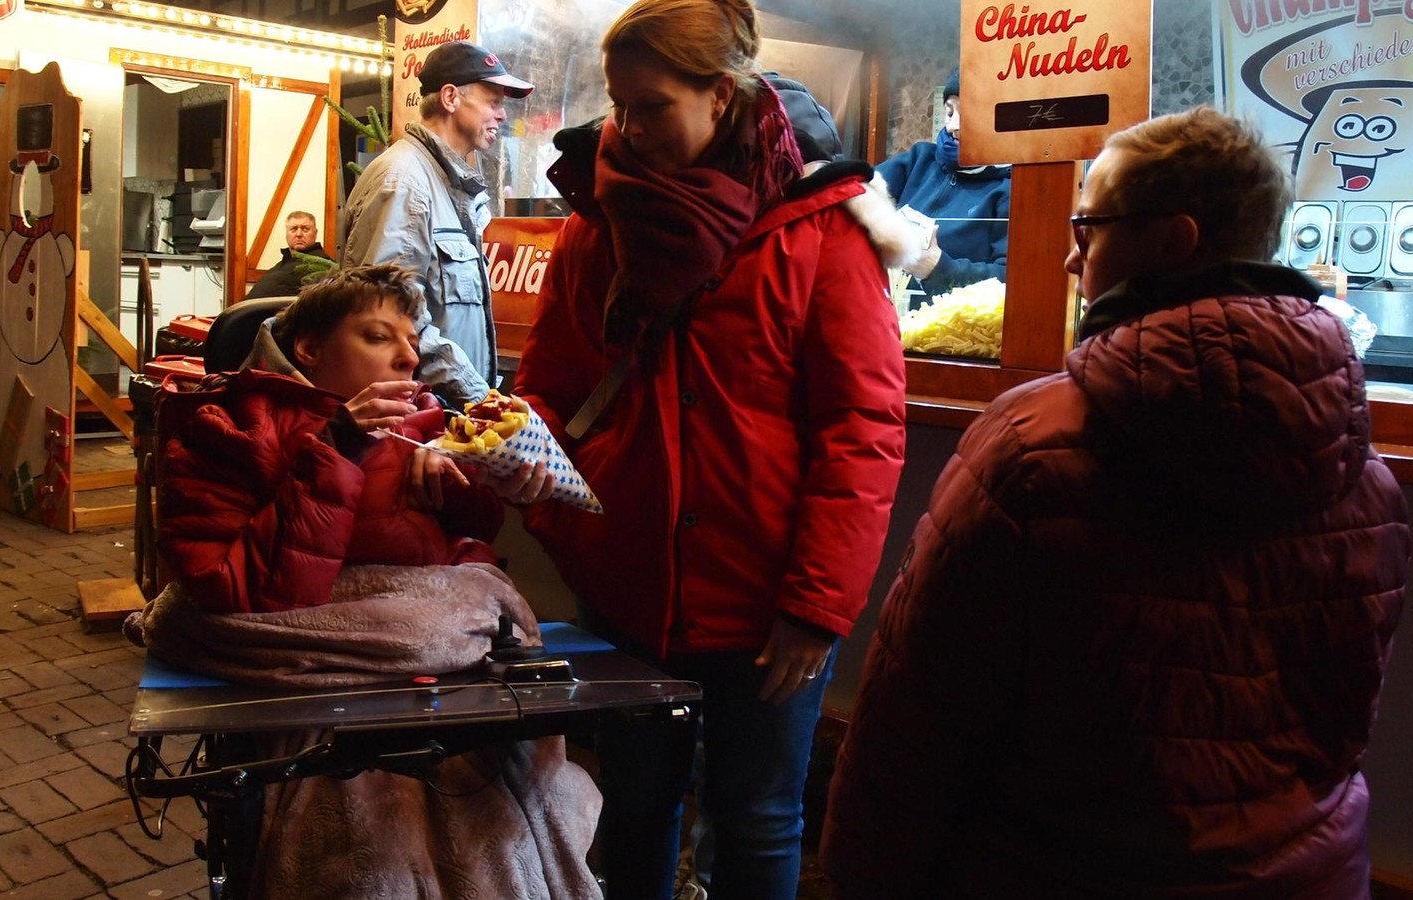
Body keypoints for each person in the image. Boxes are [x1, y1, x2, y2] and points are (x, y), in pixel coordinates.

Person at [822, 107, 1410, 898]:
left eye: (1088, 228)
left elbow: (918, 717)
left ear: (1171, 242)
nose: (1070, 257)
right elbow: (1344, 725)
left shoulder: (1033, 448)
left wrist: (862, 874)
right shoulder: (1366, 478)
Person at [511, 0, 912, 897]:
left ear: (723, 97)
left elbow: (861, 430)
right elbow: (551, 386)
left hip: (769, 603)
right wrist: (545, 489)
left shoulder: (821, 228)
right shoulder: (593, 223)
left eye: (652, 106)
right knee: (634, 805)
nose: (628, 129)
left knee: (757, 818)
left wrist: (818, 604)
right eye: (618, 105)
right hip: (627, 582)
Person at [146, 264, 587, 898]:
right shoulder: (225, 426)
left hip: (448, 684)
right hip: (320, 696)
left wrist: (486, 484)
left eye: (413, 340)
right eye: (379, 336)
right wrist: (338, 448)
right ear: (309, 347)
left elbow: (462, 549)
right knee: (367, 856)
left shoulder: (428, 424)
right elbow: (233, 587)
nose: (408, 356)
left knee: (512, 829)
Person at [340, 40, 533, 409]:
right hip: (413, 416)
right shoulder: (404, 184)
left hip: (445, 411)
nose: (502, 115)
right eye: (493, 102)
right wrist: (480, 399)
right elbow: (387, 320)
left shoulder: (447, 185)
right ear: (450, 97)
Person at [877, 70, 1010, 298]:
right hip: (890, 310)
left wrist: (939, 268)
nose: (952, 126)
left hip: (956, 319)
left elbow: (1012, 277)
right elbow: (857, 192)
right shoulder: (919, 159)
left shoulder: (1009, 188)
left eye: (967, 115)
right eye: (949, 113)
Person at [244, 210, 331, 300]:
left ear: (315, 233)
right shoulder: (280, 265)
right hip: (247, 307)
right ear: (286, 234)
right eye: (293, 229)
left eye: (305, 229)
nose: (299, 234)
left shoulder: (322, 264)